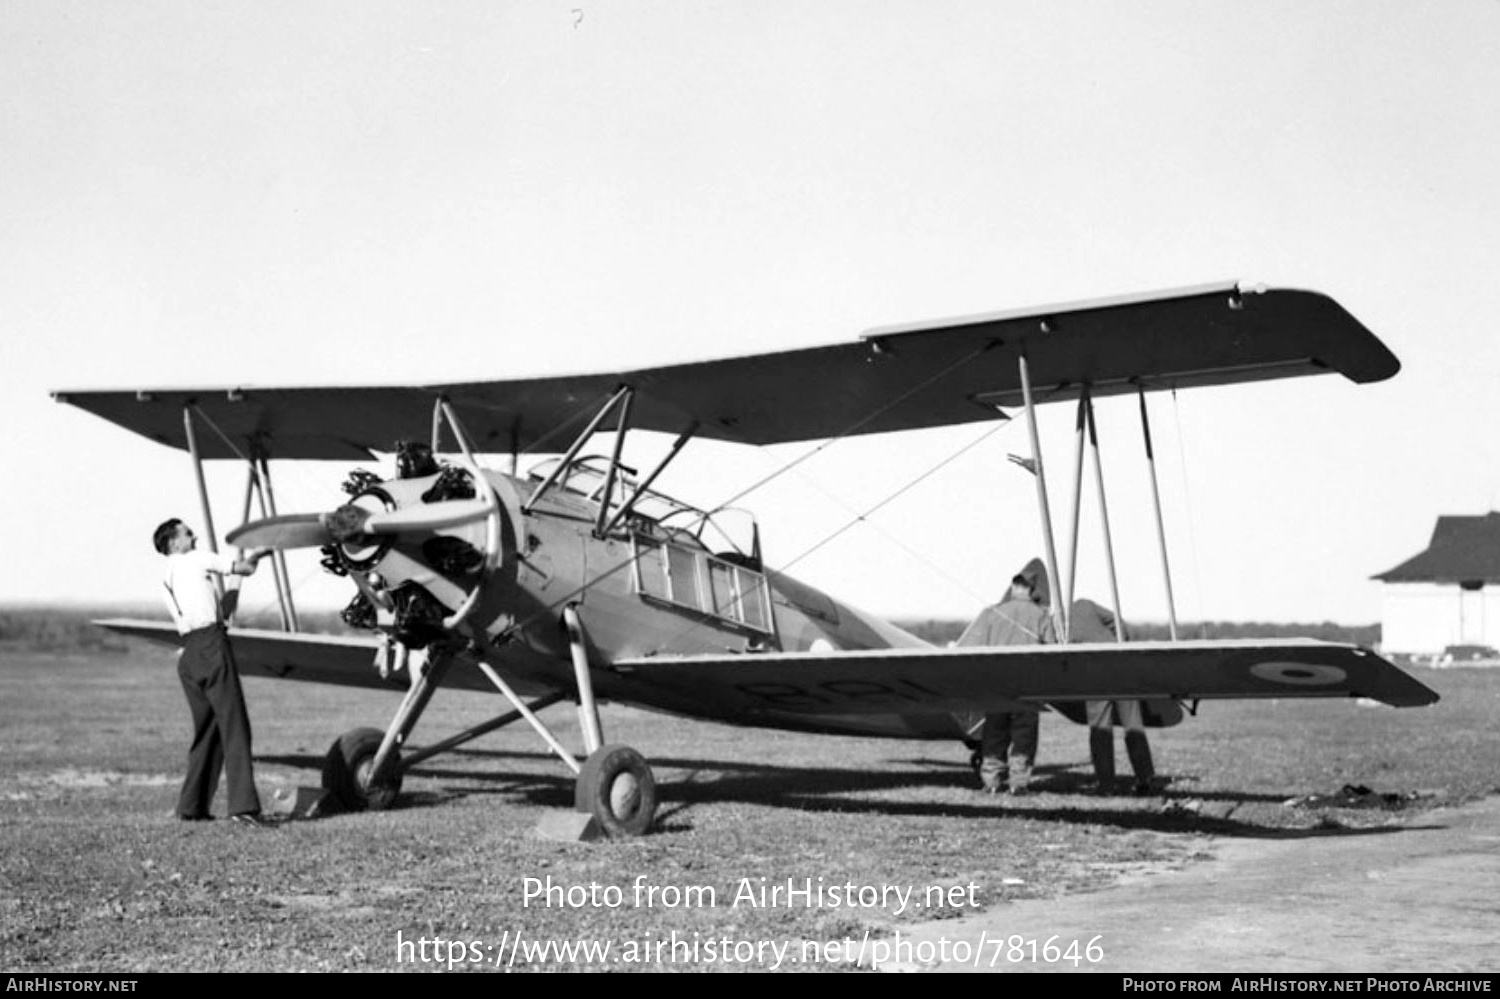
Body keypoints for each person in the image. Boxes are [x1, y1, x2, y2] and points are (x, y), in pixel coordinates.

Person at [152, 518, 275, 828]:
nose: (193, 534)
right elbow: (244, 568)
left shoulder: (168, 576)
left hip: (190, 653)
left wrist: (236, 581)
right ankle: (244, 807)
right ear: (174, 543)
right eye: (186, 532)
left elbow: (220, 610)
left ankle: (191, 807)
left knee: (206, 731)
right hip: (212, 647)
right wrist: (258, 556)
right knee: (235, 726)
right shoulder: (198, 558)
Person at [957, 558, 1055, 795]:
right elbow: (1051, 649)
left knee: (994, 733)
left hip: (996, 683)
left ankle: (991, 782)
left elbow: (975, 647)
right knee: (1024, 736)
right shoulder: (1041, 615)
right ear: (1031, 590)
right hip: (1026, 684)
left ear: (1014, 588)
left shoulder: (992, 613)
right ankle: (1018, 784)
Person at [1070, 597, 1156, 795]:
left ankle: (1106, 785)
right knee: (1133, 725)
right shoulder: (1084, 605)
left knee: (1100, 729)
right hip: (1122, 666)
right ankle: (1145, 778)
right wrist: (1119, 647)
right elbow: (1118, 622)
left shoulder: (1057, 624)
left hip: (1094, 673)